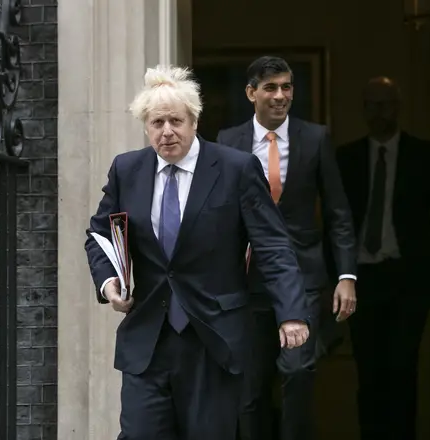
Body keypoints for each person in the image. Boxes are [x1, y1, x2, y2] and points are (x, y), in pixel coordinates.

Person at [84, 64, 311, 440]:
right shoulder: (127, 170)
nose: (167, 131)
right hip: (148, 340)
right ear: (146, 126)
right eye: (157, 122)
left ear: (194, 120)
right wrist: (109, 283)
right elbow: (100, 234)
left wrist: (291, 313)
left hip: (213, 338)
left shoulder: (235, 168)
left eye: (176, 120)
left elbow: (272, 245)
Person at [217, 56, 358, 440]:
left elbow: (338, 211)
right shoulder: (228, 142)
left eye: (287, 87)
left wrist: (347, 275)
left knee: (298, 371)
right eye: (271, 88)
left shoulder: (316, 138)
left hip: (303, 277)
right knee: (250, 387)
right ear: (251, 93)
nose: (281, 96)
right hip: (247, 281)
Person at [336, 76, 430, 440]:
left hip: (409, 279)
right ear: (363, 111)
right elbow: (335, 221)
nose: (380, 113)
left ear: (398, 107)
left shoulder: (423, 154)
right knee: (369, 372)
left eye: (386, 104)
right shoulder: (346, 158)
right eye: (372, 105)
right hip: (361, 280)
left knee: (402, 369)